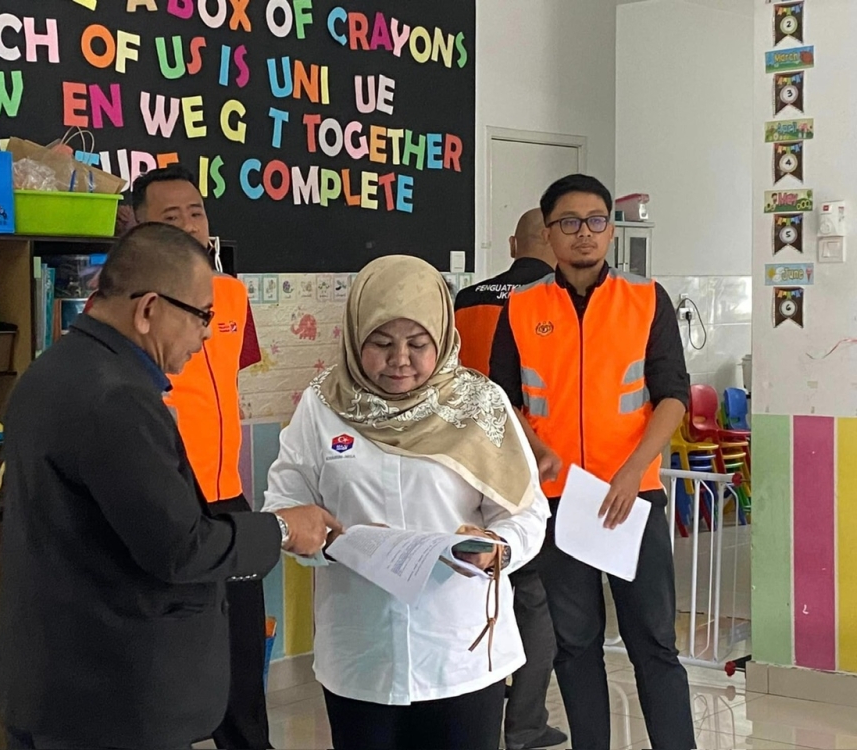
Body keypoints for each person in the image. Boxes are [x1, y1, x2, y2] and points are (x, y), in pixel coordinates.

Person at [0, 223, 341, 750]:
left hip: (50, 680)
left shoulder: (52, 370)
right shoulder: (117, 399)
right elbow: (179, 548)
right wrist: (284, 529)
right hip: (107, 696)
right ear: (149, 308)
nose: (206, 335)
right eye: (202, 316)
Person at [262, 255, 550, 750]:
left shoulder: (480, 404)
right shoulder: (322, 407)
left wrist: (497, 547)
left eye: (418, 344)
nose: (400, 359)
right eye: (381, 342)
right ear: (355, 338)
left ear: (442, 338)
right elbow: (284, 506)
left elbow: (526, 512)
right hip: (361, 652)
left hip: (459, 654)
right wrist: (312, 539)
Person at [489, 174, 695, 750]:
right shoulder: (523, 309)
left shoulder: (646, 300)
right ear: (549, 235)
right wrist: (535, 447)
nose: (585, 234)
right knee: (575, 646)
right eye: (569, 223)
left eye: (597, 221)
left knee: (653, 643)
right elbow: (501, 399)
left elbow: (672, 395)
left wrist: (632, 471)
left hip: (636, 497)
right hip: (559, 502)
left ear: (610, 229)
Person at [129, 165, 270, 750]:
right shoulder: (132, 304)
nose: (189, 225)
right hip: (165, 501)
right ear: (136, 226)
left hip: (228, 500)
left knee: (241, 651)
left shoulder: (231, 293)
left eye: (196, 212)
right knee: (168, 659)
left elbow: (229, 379)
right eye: (171, 216)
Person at [454, 208, 566, 750]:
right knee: (534, 600)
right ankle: (524, 724)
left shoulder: (468, 298)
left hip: (461, 467)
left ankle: (476, 705)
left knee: (473, 592)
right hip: (530, 468)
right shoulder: (552, 301)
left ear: (510, 242)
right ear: (549, 239)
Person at [454, 208, 557, 375]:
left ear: (512, 245)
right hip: (535, 401)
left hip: (470, 400)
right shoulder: (566, 299)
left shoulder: (466, 298)